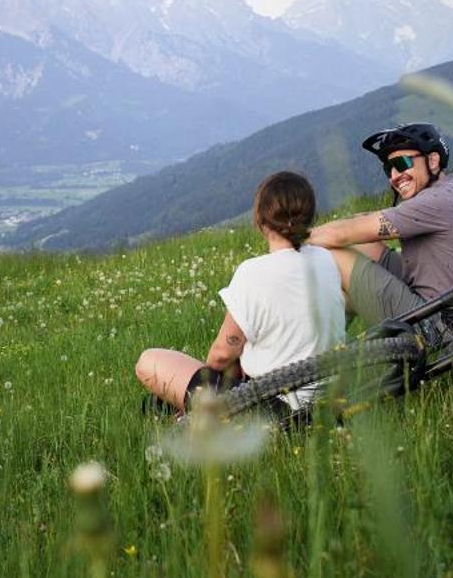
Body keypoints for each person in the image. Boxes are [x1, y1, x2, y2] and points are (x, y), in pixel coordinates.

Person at [135, 171, 346, 413]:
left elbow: (222, 355)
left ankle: (192, 413)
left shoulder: (253, 272)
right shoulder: (325, 259)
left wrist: (204, 388)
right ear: (310, 217)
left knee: (148, 361)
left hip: (276, 408)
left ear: (260, 220)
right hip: (329, 399)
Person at [305, 122, 453, 325]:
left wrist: (290, 239)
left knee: (336, 255)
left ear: (433, 160)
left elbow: (341, 235)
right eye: (388, 169)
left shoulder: (436, 201)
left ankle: (314, 344)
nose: (394, 176)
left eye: (401, 164)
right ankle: (325, 347)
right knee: (362, 246)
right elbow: (359, 226)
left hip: (446, 327)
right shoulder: (450, 192)